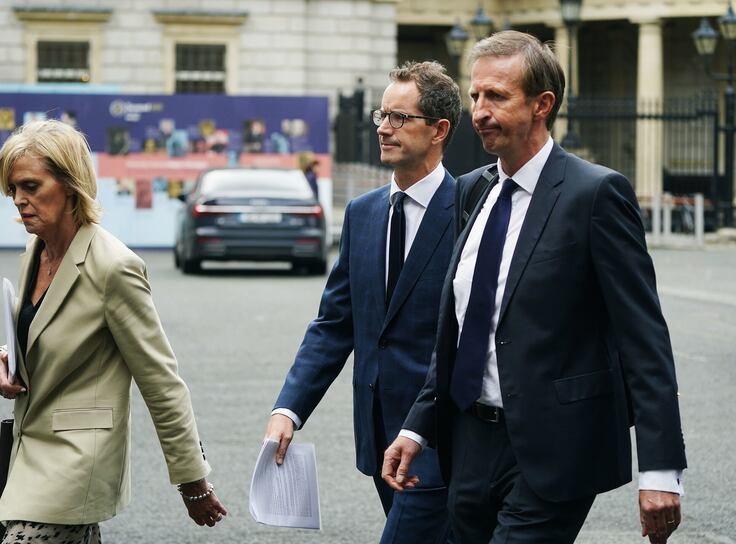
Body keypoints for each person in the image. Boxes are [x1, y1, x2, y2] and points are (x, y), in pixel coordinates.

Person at [382, 31, 686, 544]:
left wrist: (659, 469)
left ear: (542, 104)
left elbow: (643, 337)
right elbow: (460, 326)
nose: (478, 111)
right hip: (469, 441)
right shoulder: (471, 189)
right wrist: (418, 425)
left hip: (555, 447)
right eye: (475, 96)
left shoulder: (595, 194)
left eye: (496, 96)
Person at [0, 120, 227, 543]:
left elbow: (161, 381)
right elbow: (43, 333)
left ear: (70, 184)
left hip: (75, 465)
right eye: (12, 190)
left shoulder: (114, 267)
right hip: (26, 454)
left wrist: (192, 480)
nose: (19, 201)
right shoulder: (34, 252)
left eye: (30, 186)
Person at [265, 61, 462, 544]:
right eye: (381, 115)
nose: (383, 128)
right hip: (377, 434)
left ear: (439, 130)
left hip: (440, 437)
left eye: (400, 118)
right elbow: (335, 324)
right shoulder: (363, 212)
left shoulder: (468, 210)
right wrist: (289, 409)